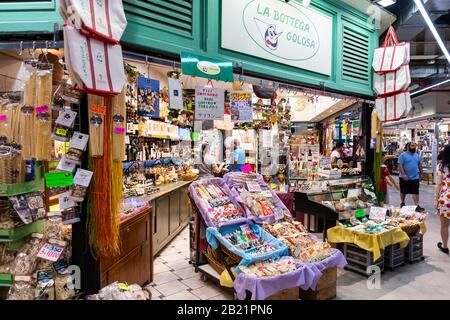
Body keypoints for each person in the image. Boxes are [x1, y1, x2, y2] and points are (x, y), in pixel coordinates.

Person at [398, 141, 425, 212]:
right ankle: (402, 203)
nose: (414, 147)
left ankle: (416, 205)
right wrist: (403, 174)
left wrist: (422, 174)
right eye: (412, 146)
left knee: (415, 191)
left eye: (415, 146)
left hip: (415, 177)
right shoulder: (402, 155)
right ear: (408, 147)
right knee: (403, 191)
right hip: (404, 177)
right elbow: (400, 165)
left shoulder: (417, 155)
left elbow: (419, 165)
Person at [434, 144, 450, 254]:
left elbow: (438, 185)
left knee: (444, 226)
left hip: (446, 198)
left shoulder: (441, 166)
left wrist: (436, 199)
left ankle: (445, 246)